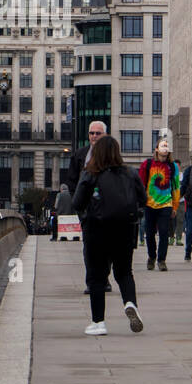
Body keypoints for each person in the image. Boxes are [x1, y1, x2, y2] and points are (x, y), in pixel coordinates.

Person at [73, 135, 145, 336]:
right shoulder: (130, 173)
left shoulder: (90, 174)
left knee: (97, 276)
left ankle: (98, 322)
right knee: (124, 272)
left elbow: (77, 202)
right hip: (125, 229)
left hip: (97, 230)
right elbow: (143, 199)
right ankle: (130, 303)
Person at [68, 121, 111, 295]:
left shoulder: (111, 155)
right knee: (90, 246)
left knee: (107, 246)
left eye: (98, 133)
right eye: (91, 133)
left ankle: (104, 278)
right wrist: (78, 203)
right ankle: (92, 281)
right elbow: (71, 181)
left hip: (107, 208)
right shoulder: (80, 155)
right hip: (87, 210)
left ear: (105, 135)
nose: (94, 136)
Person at [139, 140, 181, 271]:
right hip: (150, 204)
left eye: (166, 154)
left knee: (164, 233)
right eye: (162, 154)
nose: (164, 157)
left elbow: (176, 188)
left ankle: (161, 260)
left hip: (165, 204)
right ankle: (152, 257)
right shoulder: (148, 164)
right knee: (150, 233)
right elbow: (140, 184)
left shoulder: (173, 166)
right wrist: (141, 202)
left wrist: (175, 207)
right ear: (156, 150)